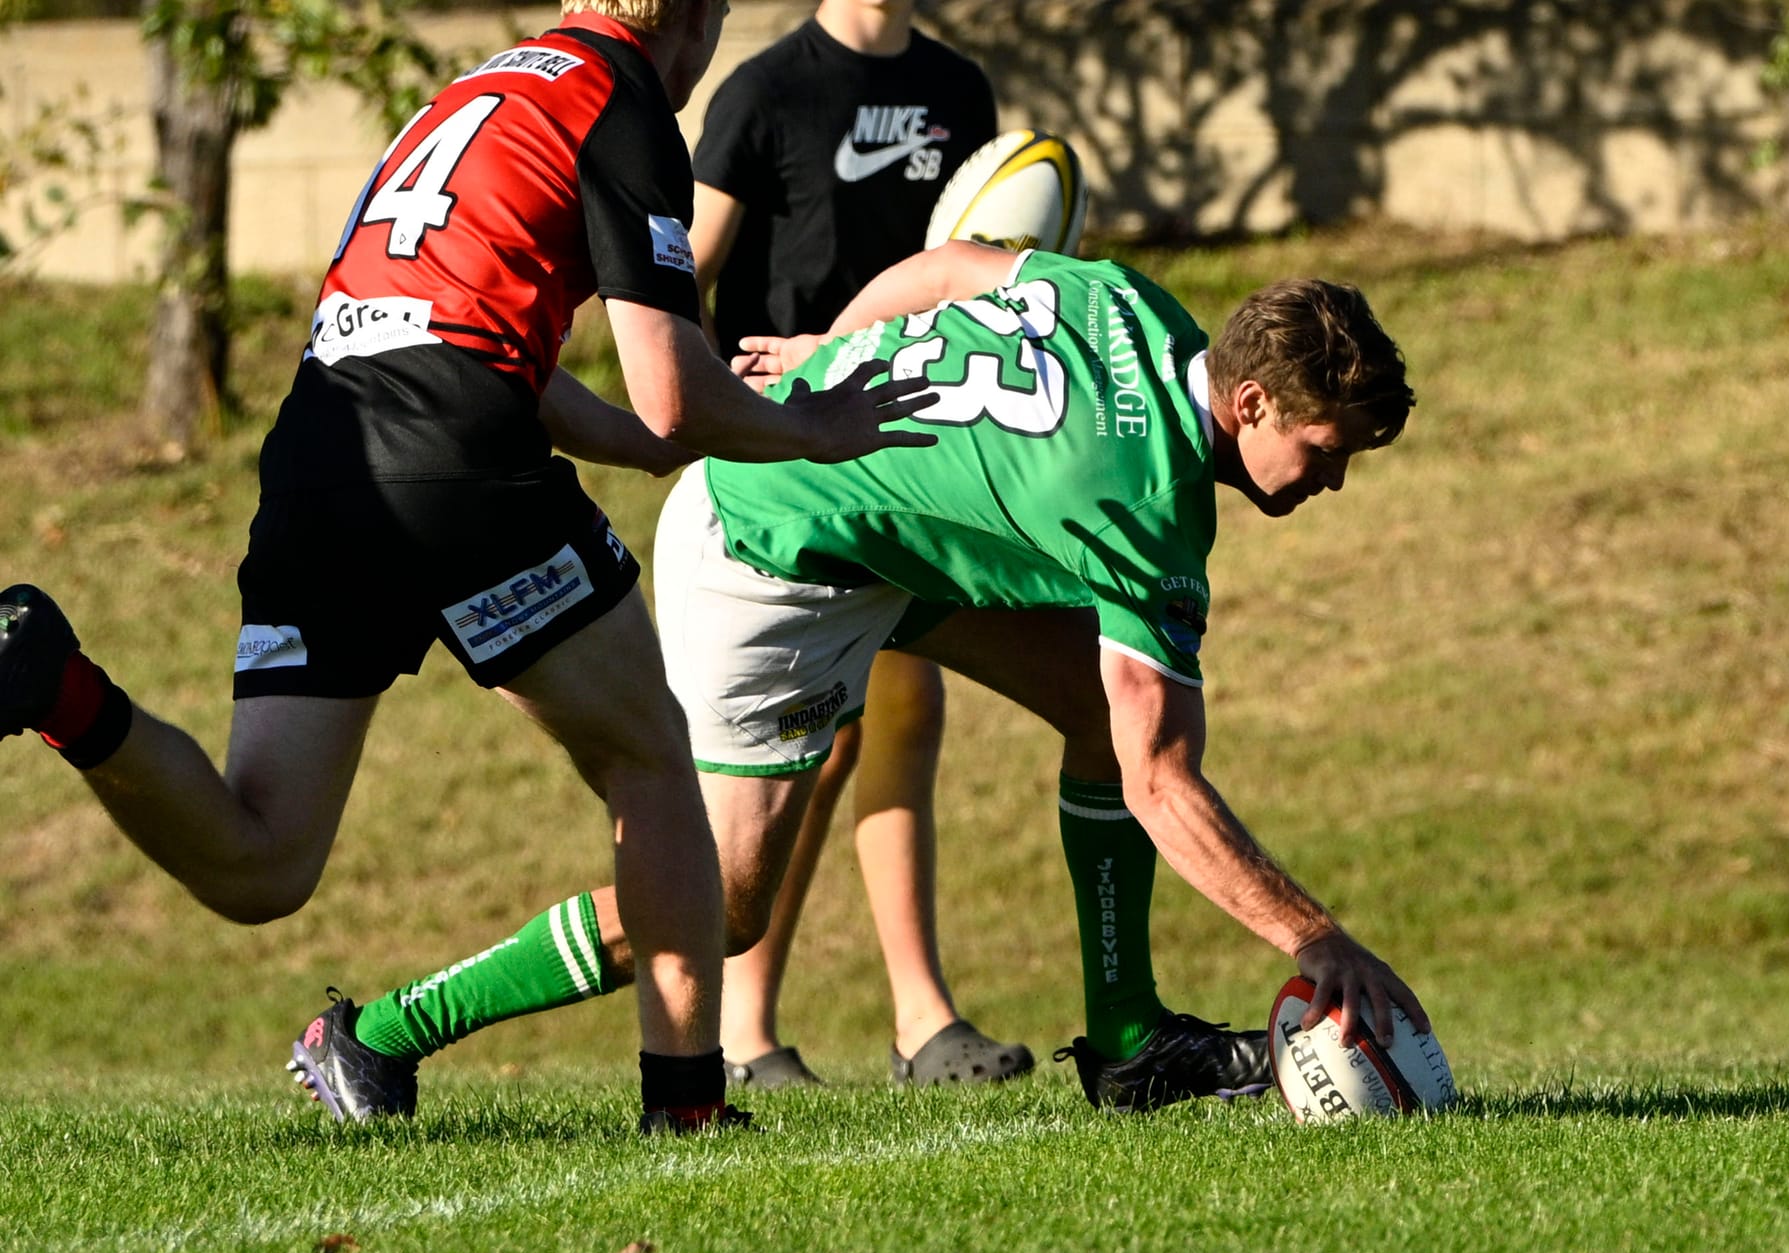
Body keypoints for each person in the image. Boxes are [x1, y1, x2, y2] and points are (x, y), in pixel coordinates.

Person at [0, 0, 939, 1136]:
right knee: (650, 761)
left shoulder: (478, 92)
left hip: (317, 453)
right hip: (455, 460)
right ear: (689, 15)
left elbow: (486, 344)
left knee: (262, 864)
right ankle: (689, 1104)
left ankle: (57, 688)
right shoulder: (622, 98)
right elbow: (670, 386)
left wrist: (639, 447)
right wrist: (815, 426)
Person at [286, 238, 1433, 1117]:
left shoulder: (1130, 303)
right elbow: (1159, 782)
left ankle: (1130, 1046)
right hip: (765, 554)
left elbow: (940, 267)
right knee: (723, 908)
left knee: (1091, 706)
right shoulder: (1144, 509)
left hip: (871, 539)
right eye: (1327, 449)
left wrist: (829, 362)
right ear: (1251, 404)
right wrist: (1313, 939)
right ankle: (378, 1034)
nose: (1330, 480)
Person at [685, 0, 1026, 1089]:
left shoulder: (956, 91)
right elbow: (680, 268)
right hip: (789, 452)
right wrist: (707, 404)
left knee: (907, 712)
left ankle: (922, 1019)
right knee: (819, 742)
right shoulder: (762, 93)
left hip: (906, 443)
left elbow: (978, 256)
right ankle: (742, 1030)